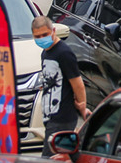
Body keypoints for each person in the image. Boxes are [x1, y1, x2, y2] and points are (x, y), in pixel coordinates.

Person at [34, 15, 88, 155]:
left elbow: (77, 84)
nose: (42, 39)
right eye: (37, 36)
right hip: (50, 116)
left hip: (62, 117)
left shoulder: (64, 53)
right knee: (65, 156)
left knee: (49, 162)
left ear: (53, 30)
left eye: (45, 34)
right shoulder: (45, 53)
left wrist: (82, 106)